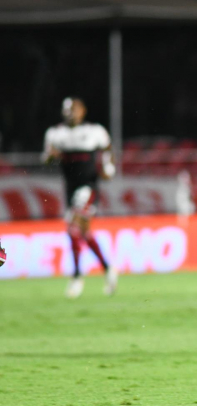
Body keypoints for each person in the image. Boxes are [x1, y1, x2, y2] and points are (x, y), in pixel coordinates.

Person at [43, 97, 118, 298]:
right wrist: (51, 156)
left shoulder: (95, 131)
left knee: (73, 229)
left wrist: (109, 168)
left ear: (82, 111)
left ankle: (77, 277)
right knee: (81, 233)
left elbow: (108, 151)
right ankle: (108, 269)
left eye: (73, 110)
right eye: (66, 111)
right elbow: (46, 159)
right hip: (70, 189)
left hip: (88, 187)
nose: (70, 114)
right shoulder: (55, 134)